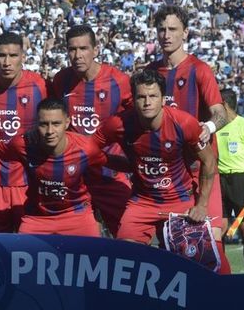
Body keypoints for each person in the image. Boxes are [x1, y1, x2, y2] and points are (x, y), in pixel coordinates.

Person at [93, 69, 230, 273]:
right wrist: (123, 164)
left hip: (180, 200)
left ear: (163, 99)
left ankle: (232, 298)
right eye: (141, 97)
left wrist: (201, 205)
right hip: (142, 202)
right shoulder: (118, 124)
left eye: (153, 96)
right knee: (123, 259)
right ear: (134, 99)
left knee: (205, 263)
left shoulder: (183, 123)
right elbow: (90, 149)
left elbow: (209, 162)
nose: (147, 102)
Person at [146, 5, 228, 266]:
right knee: (171, 245)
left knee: (211, 242)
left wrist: (208, 128)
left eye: (172, 29)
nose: (166, 35)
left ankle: (230, 304)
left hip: (201, 167)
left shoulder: (199, 69)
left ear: (185, 33)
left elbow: (220, 112)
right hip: (168, 173)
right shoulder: (149, 72)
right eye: (161, 29)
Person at [50, 24, 133, 237]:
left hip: (110, 174)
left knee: (128, 238)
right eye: (72, 49)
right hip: (75, 178)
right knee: (78, 243)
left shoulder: (119, 81)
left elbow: (136, 123)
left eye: (84, 48)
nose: (77, 55)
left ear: (96, 50)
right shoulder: (61, 80)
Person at [0, 98, 106, 236]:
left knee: (90, 255)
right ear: (36, 124)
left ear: (67, 123)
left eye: (56, 124)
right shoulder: (23, 144)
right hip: (37, 217)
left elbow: (102, 171)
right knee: (21, 255)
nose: (50, 131)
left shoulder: (86, 148)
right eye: (44, 124)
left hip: (77, 214)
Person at [0, 32, 47, 232]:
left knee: (29, 247)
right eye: (1, 55)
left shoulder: (39, 86)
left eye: (13, 55)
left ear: (23, 56)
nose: (7, 62)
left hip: (27, 180)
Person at [217, 89, 244, 273]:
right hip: (219, 180)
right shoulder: (215, 126)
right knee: (220, 229)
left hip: (241, 181)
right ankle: (221, 274)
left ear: (225, 105)